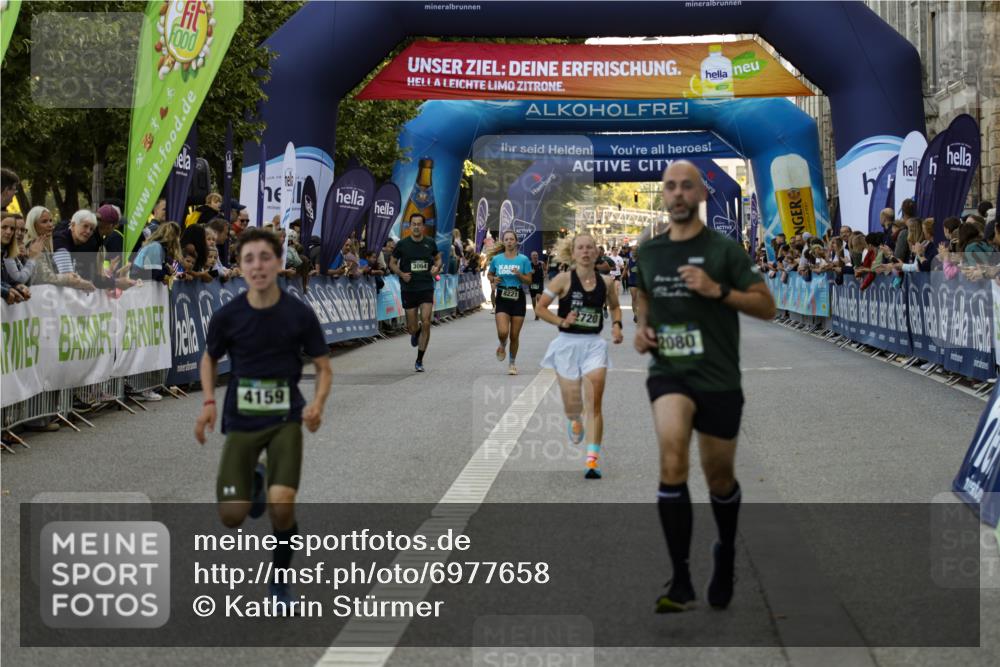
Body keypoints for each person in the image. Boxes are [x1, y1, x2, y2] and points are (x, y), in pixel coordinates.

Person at [634, 160, 775, 613]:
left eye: (685, 186)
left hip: (718, 376)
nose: (676, 193)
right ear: (664, 195)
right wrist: (642, 326)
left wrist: (718, 291)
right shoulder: (650, 252)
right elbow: (644, 295)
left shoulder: (724, 251)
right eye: (669, 186)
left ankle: (726, 551)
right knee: (672, 456)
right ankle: (680, 580)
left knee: (719, 477)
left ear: (700, 195)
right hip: (669, 371)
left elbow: (766, 306)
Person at [194, 227, 332, 609]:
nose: (257, 266)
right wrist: (208, 402)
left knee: (282, 504)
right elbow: (209, 358)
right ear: (239, 268)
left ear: (277, 263)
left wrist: (317, 403)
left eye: (265, 258)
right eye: (249, 259)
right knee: (231, 517)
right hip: (241, 420)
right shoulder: (228, 316)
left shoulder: (298, 314)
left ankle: (280, 580)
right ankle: (255, 480)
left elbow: (323, 366)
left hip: (285, 417)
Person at [535, 233, 623, 479]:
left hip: (594, 345)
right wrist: (561, 321)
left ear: (596, 253)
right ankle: (574, 420)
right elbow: (540, 308)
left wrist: (617, 325)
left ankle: (592, 461)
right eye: (580, 248)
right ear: (573, 254)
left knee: (594, 403)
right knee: (573, 406)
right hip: (567, 345)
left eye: (590, 248)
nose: (585, 252)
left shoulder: (605, 282)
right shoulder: (562, 280)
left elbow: (615, 306)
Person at [390, 214, 441, 372]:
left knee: (426, 321)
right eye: (414, 224)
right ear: (409, 226)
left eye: (419, 224)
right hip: (409, 289)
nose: (417, 227)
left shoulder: (430, 243)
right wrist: (401, 274)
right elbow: (392, 263)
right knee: (412, 328)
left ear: (423, 227)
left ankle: (419, 360)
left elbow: (438, 259)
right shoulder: (402, 245)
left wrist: (436, 268)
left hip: (426, 286)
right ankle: (416, 331)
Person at [487, 231, 532, 375]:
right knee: (503, 332)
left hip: (518, 296)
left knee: (514, 335)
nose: (509, 242)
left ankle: (512, 363)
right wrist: (493, 280)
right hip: (502, 296)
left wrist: (519, 275)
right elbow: (490, 274)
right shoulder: (497, 259)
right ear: (504, 242)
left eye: (512, 239)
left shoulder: (524, 260)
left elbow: (529, 280)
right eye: (506, 239)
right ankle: (502, 343)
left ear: (516, 241)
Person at [528, 250, 546, 321]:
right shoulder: (529, 264)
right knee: (533, 300)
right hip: (532, 283)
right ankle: (536, 313)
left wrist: (544, 274)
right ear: (531, 257)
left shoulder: (541, 263)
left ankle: (538, 312)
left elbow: (545, 270)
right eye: (533, 255)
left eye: (536, 255)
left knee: (538, 297)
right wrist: (530, 272)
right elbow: (525, 273)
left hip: (540, 283)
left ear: (538, 256)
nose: (535, 256)